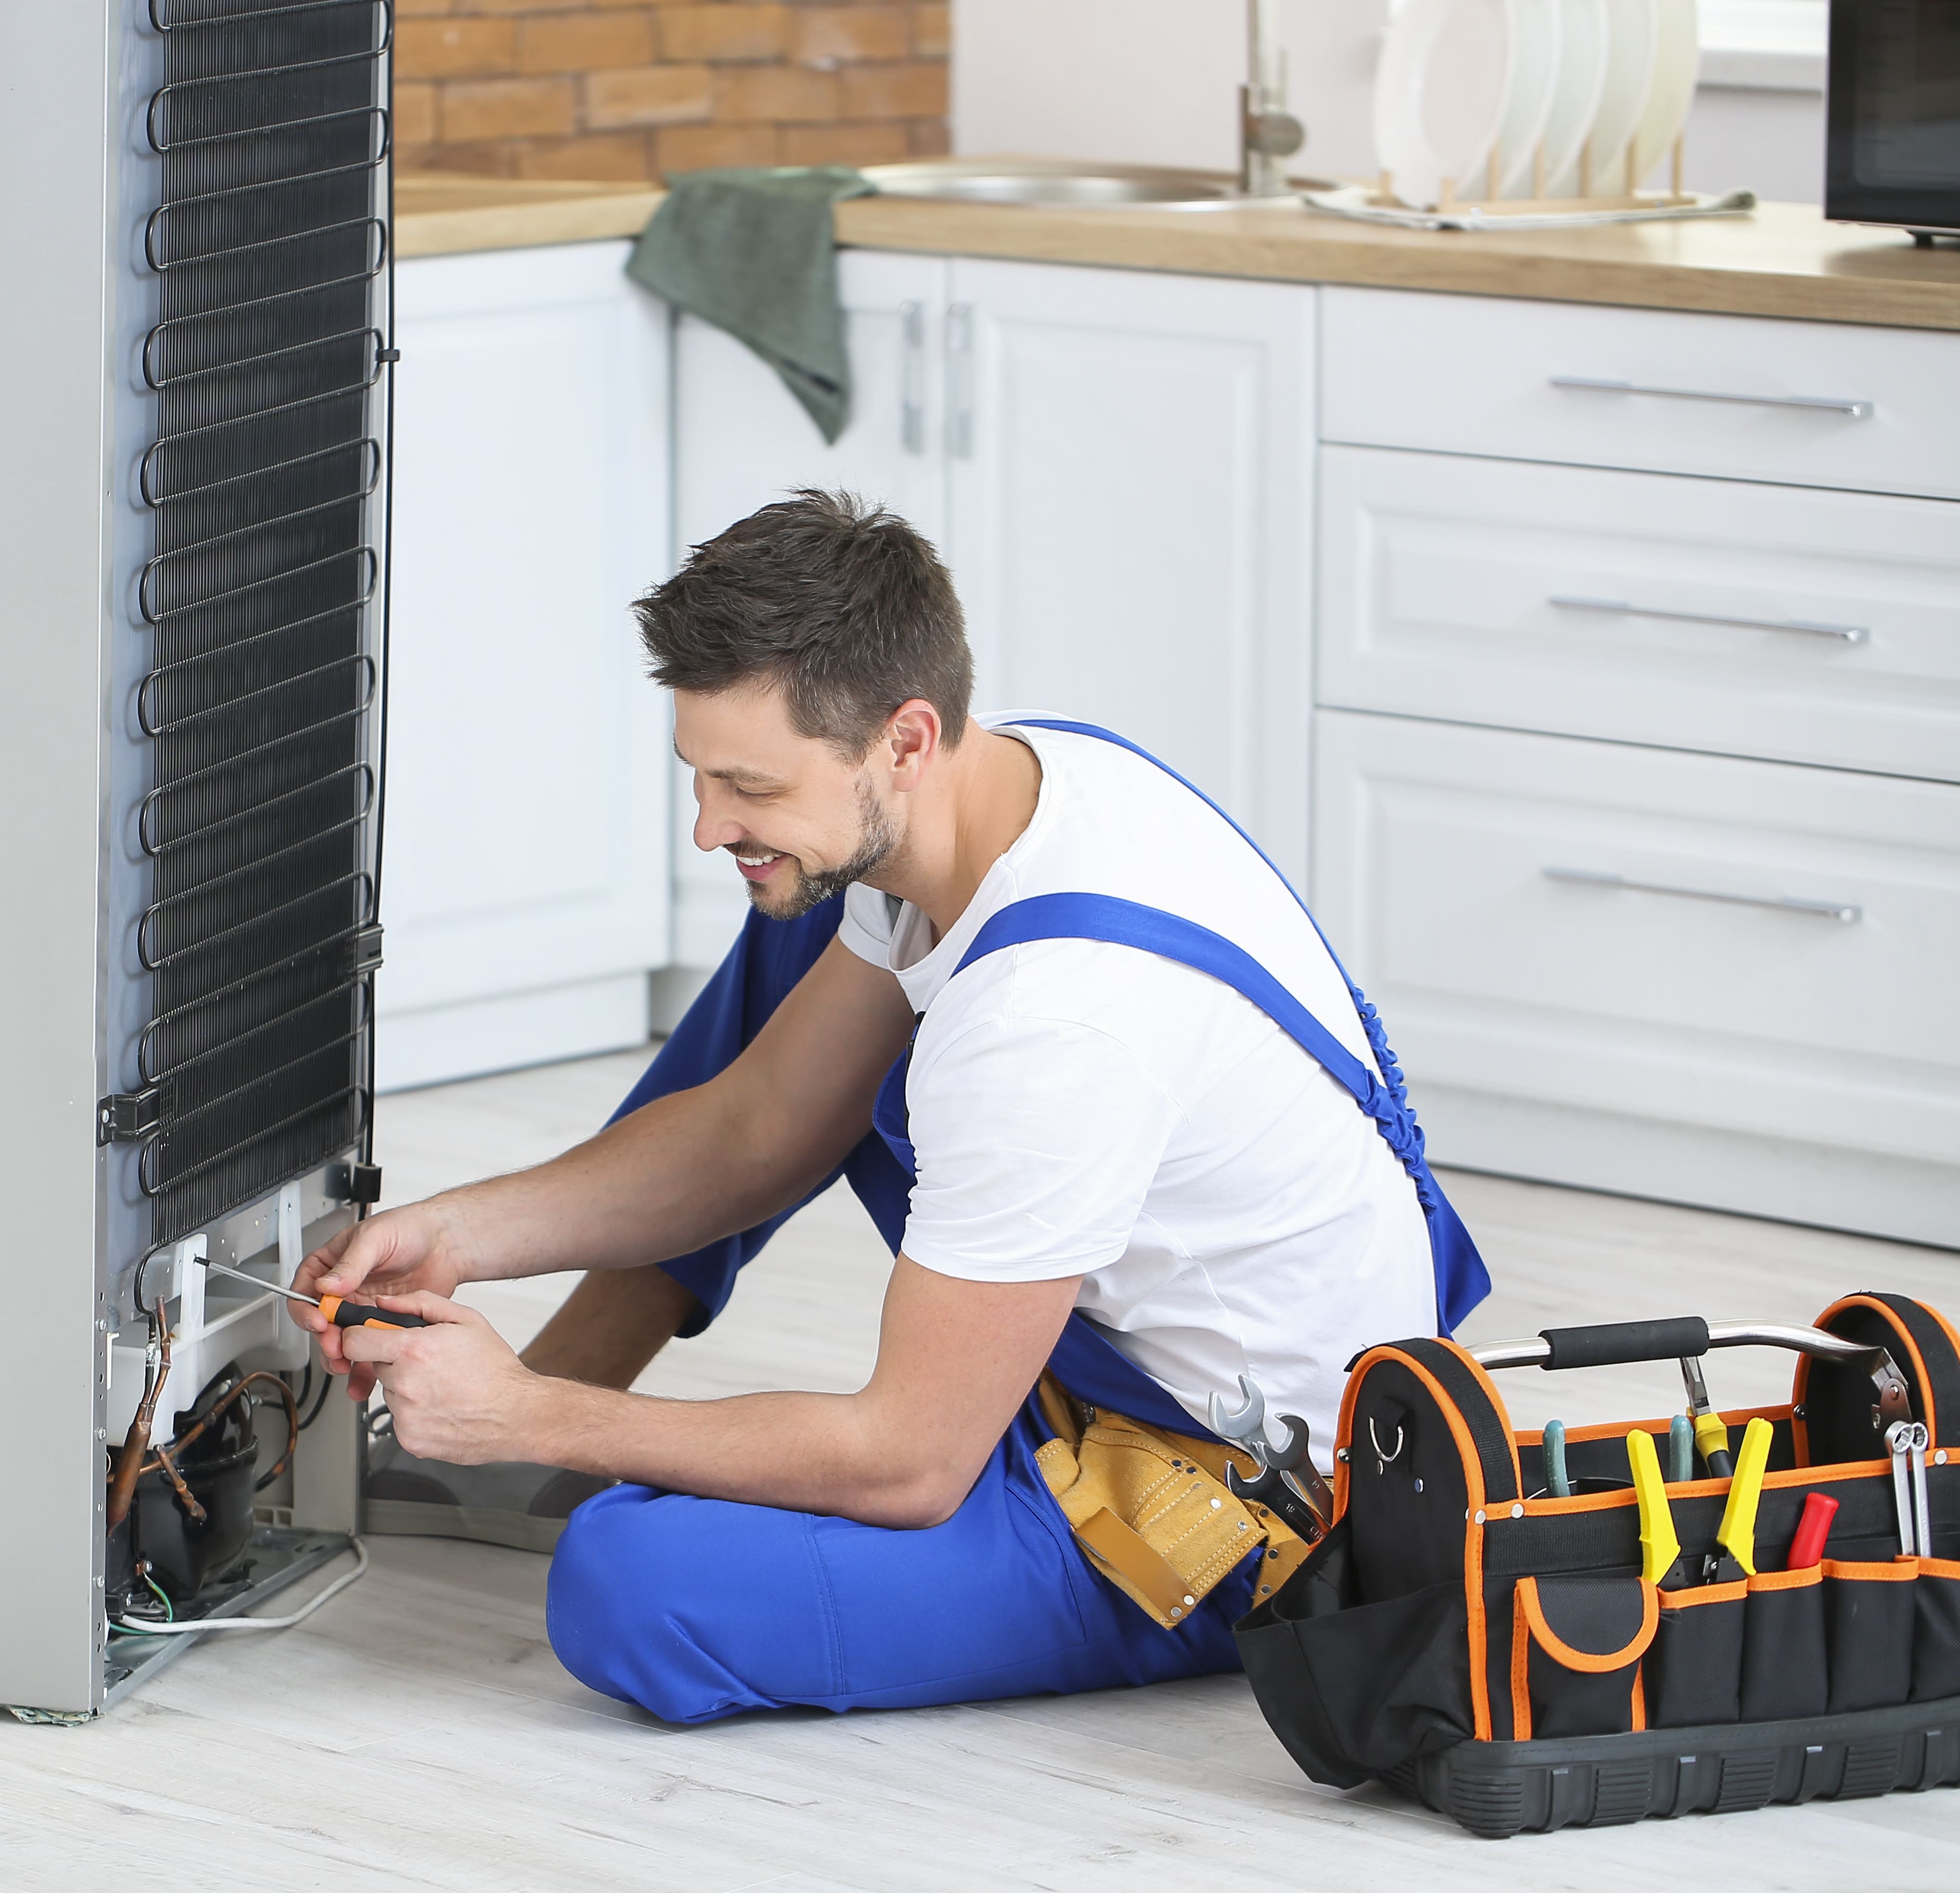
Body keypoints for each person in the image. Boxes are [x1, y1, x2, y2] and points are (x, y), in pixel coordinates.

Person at [290, 489, 1488, 1725]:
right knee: (790, 930)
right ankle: (543, 1413)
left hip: (1238, 1501)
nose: (707, 828)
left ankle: (528, 1421)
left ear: (904, 740)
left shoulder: (1051, 1026)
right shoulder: (1014, 785)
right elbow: (757, 1126)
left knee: (635, 1583)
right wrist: (462, 1234)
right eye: (699, 779)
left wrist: (533, 1416)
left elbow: (910, 1463)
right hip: (1133, 1361)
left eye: (746, 785)